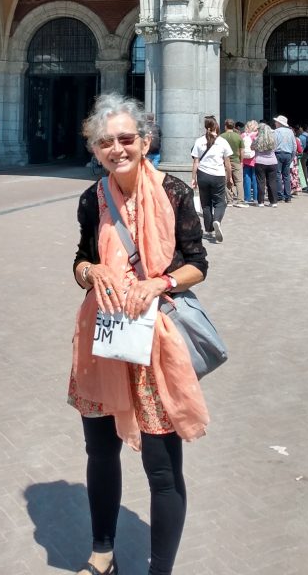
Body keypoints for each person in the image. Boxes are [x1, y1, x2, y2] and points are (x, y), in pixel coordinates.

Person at [69, 93, 209, 575]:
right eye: (105, 141)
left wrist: (159, 282)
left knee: (162, 468)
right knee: (100, 451)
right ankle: (102, 552)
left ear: (144, 142)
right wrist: (92, 274)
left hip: (155, 341)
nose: (117, 148)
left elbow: (197, 265)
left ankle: (159, 570)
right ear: (95, 149)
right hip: (105, 336)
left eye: (126, 138)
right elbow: (80, 260)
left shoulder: (174, 193)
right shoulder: (93, 199)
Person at [191, 116, 233, 241]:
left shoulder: (199, 141)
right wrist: (229, 177)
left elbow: (195, 162)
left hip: (203, 175)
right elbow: (228, 163)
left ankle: (209, 229)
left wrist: (193, 178)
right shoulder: (222, 141)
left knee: (206, 203)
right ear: (216, 126)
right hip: (218, 175)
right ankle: (217, 221)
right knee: (220, 202)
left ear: (206, 127)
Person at [222, 118, 247, 208]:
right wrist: (241, 161)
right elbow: (242, 151)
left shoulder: (221, 136)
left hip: (225, 161)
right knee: (239, 181)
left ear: (225, 126)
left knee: (226, 180)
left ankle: (229, 201)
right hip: (236, 160)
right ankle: (240, 200)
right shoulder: (238, 136)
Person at [273, 115, 297, 203]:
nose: (275, 123)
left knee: (278, 175)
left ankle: (280, 195)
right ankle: (288, 196)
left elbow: (273, 144)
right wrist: (292, 156)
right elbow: (294, 145)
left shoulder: (276, 132)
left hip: (278, 153)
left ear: (279, 123)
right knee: (286, 176)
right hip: (288, 154)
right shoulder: (290, 132)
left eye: (276, 122)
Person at [254, 122, 279, 206]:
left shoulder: (256, 139)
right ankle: (273, 202)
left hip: (260, 162)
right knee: (272, 182)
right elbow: (276, 149)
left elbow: (251, 147)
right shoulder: (273, 140)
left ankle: (260, 202)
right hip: (272, 162)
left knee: (261, 182)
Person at [241, 120, 258, 204]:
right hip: (255, 159)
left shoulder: (243, 135)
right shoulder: (256, 135)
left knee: (246, 177)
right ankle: (256, 198)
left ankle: (247, 198)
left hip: (245, 159)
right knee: (255, 178)